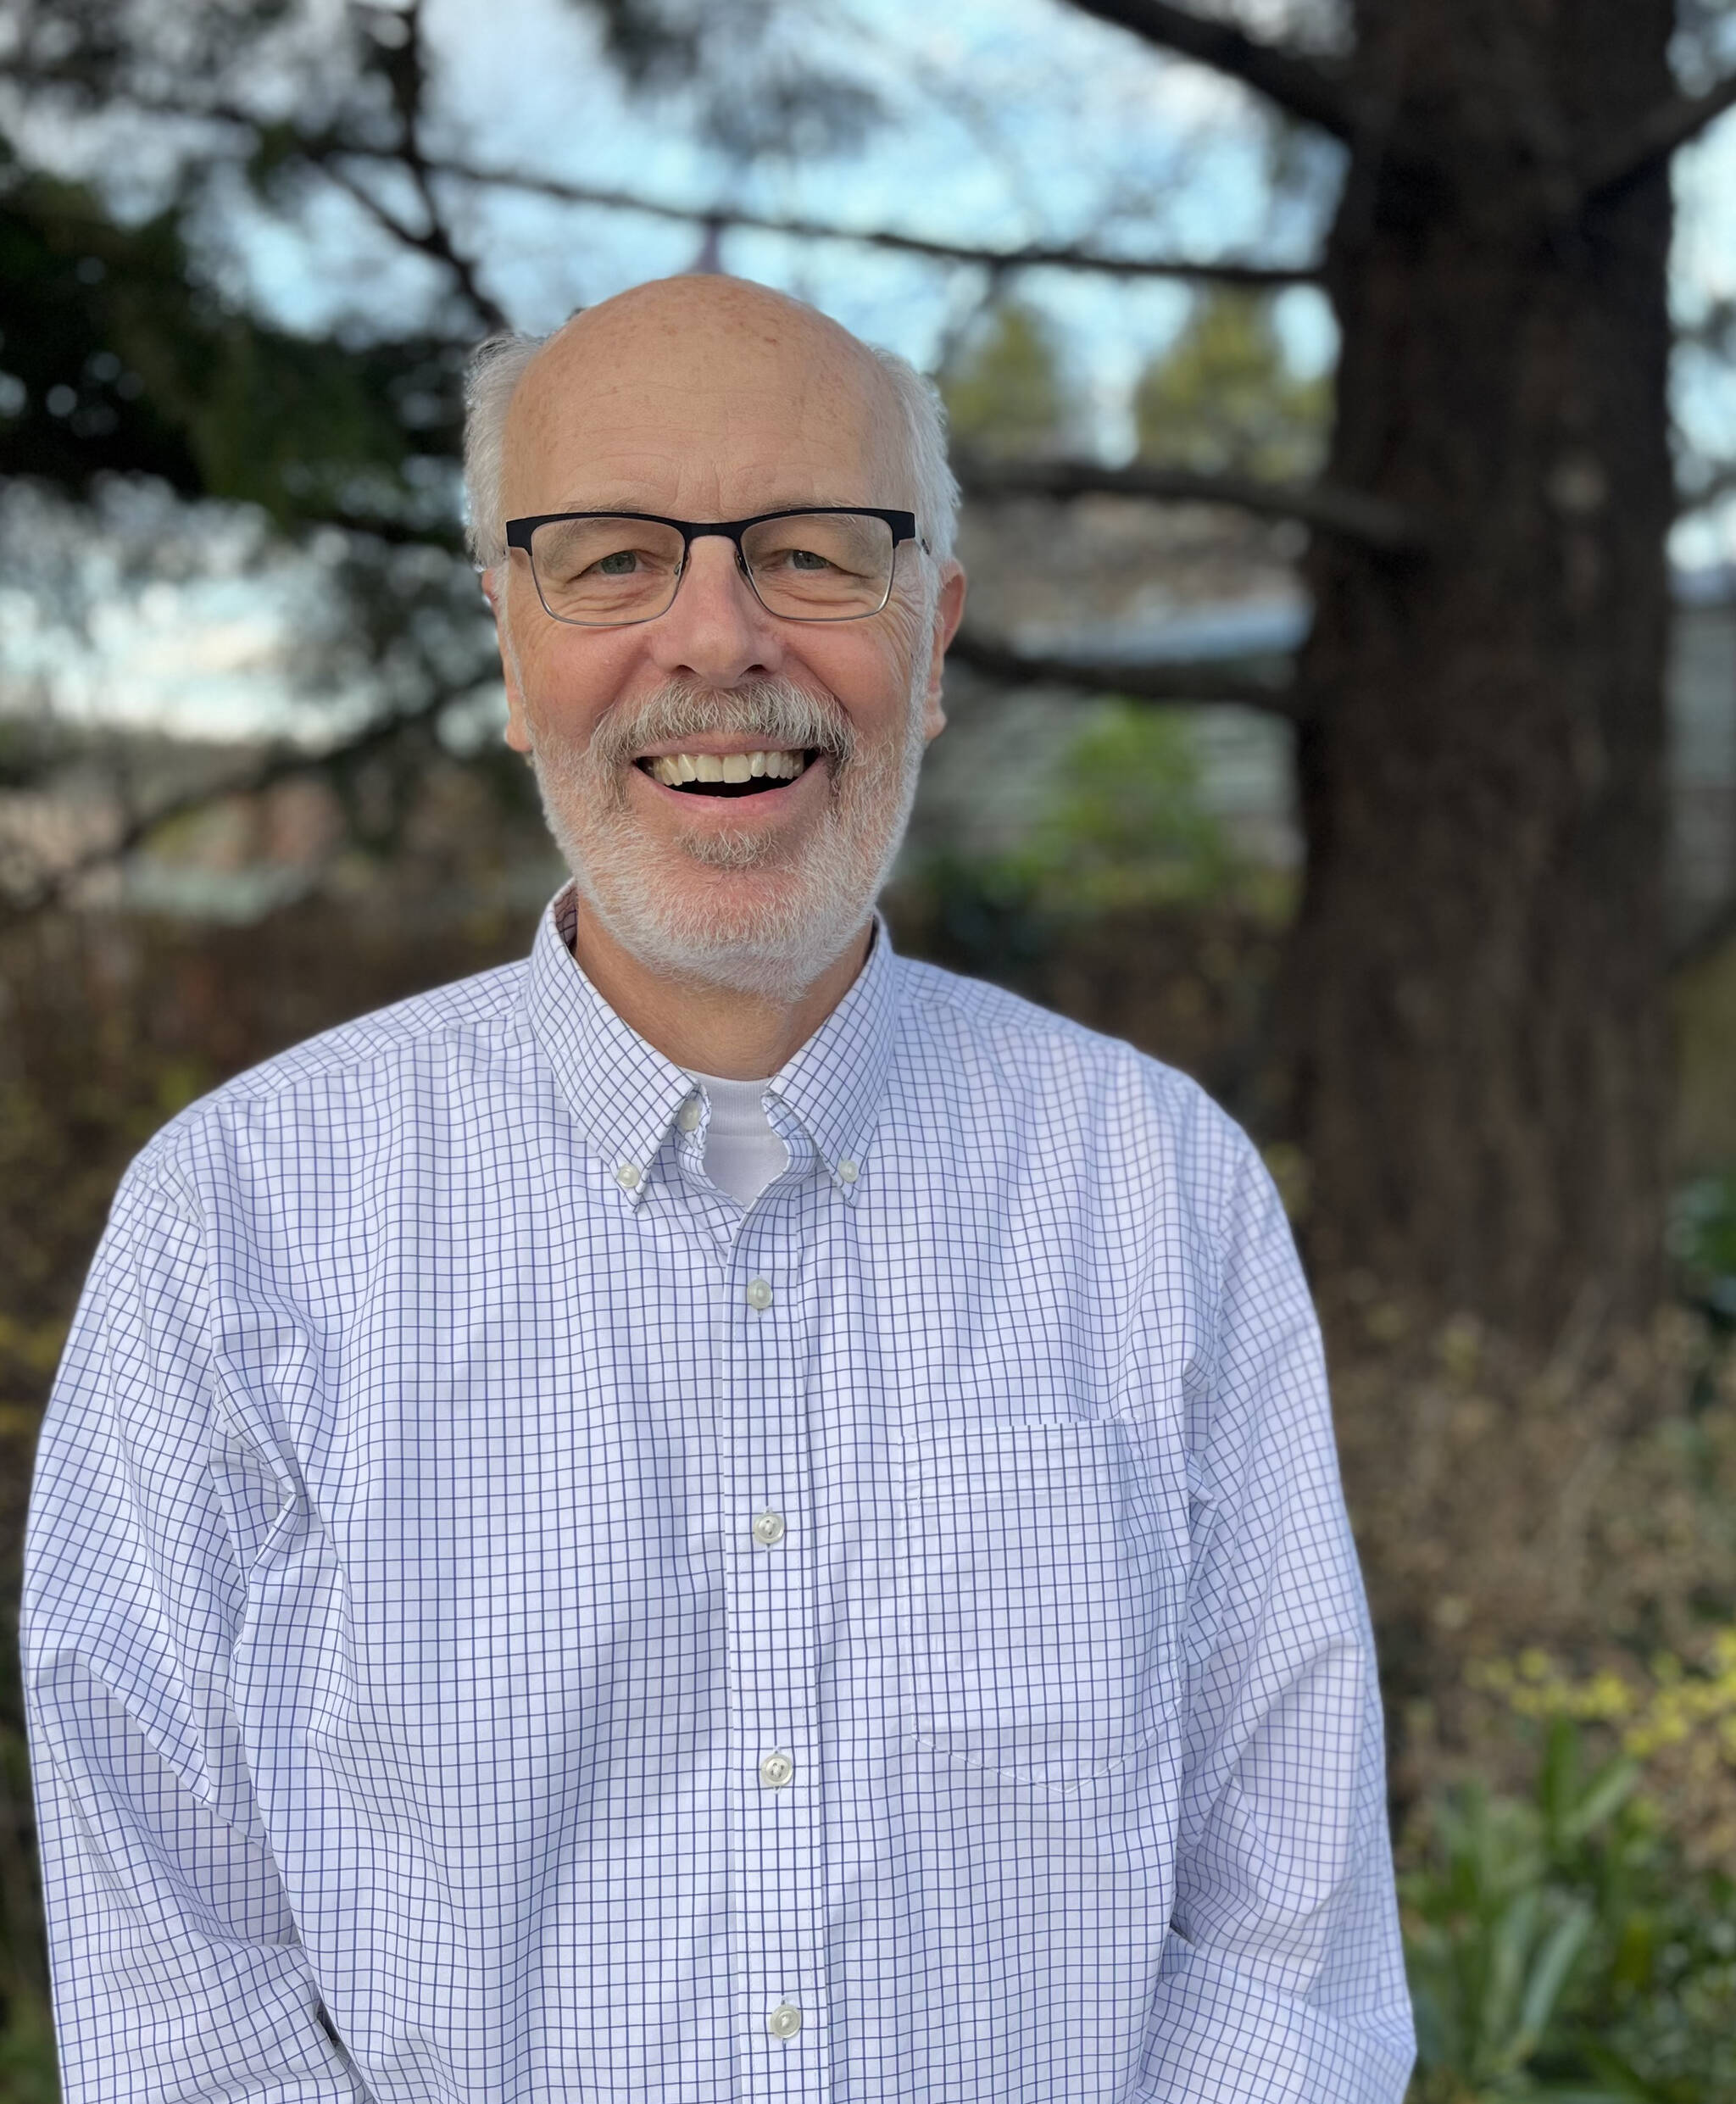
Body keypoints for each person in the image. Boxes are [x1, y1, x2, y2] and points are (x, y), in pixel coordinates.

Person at [23, 274, 1415, 2103]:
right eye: (607, 558)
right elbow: (177, 1990)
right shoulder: (239, 1227)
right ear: (511, 652)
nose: (713, 635)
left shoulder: (1162, 1198)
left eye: (814, 553)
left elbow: (1282, 1960)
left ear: (931, 641)